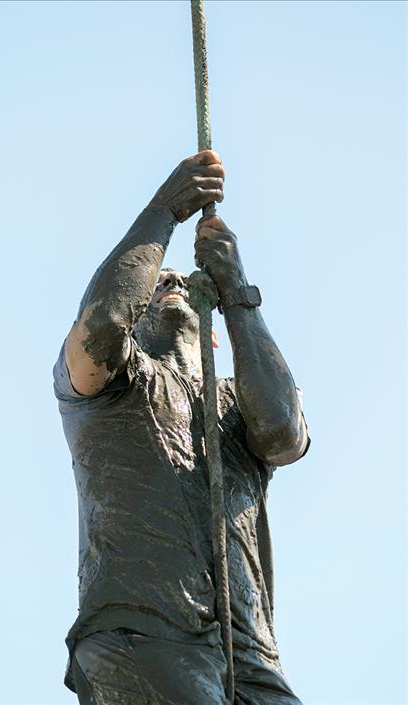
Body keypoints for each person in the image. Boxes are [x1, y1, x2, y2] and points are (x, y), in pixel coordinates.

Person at [53, 150, 310, 705]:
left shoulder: (241, 406)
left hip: (248, 657)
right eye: (156, 283)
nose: (170, 275)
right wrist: (163, 212)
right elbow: (101, 324)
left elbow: (283, 434)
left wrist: (238, 291)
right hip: (145, 636)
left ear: (215, 333)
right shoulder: (111, 382)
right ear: (138, 316)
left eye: (182, 280)